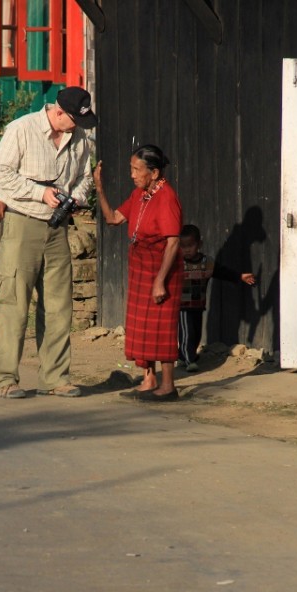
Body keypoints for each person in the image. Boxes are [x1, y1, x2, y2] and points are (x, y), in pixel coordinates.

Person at [0, 86, 97, 399]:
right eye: (74, 119)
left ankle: (56, 377)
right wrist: (40, 193)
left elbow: (85, 178)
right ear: (58, 112)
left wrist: (73, 198)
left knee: (58, 302)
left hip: (57, 225)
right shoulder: (22, 130)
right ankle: (4, 379)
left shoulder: (80, 140)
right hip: (21, 220)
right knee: (14, 301)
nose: (77, 126)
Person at [93, 144, 183, 402]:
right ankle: (149, 379)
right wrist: (100, 188)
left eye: (136, 169)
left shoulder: (166, 197)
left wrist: (160, 281)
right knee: (142, 325)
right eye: (131, 169)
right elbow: (113, 219)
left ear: (153, 173)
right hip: (141, 267)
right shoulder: (140, 195)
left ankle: (168, 385)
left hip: (162, 269)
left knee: (161, 325)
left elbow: (173, 241)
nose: (132, 174)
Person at [178, 223, 256, 371]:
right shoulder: (177, 263)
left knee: (196, 333)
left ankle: (183, 356)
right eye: (182, 246)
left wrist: (239, 276)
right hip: (182, 306)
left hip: (198, 305)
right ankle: (189, 360)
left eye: (190, 245)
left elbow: (222, 272)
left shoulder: (206, 262)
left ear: (199, 244)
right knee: (187, 332)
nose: (186, 250)